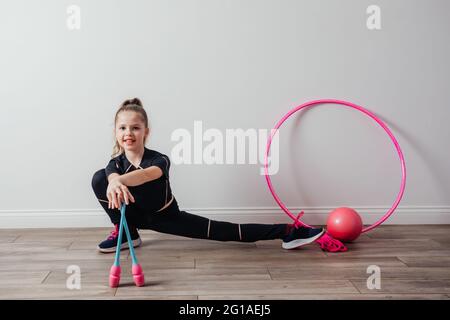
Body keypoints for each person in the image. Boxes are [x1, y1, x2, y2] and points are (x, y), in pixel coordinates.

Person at [91, 98, 324, 253]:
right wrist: (114, 180)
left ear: (146, 132)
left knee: (228, 231)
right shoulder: (115, 164)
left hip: (167, 218)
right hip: (135, 216)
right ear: (115, 132)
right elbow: (110, 176)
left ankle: (288, 232)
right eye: (122, 128)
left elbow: (145, 176)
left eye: (135, 127)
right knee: (99, 178)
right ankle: (127, 233)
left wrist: (119, 180)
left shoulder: (158, 159)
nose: (128, 133)